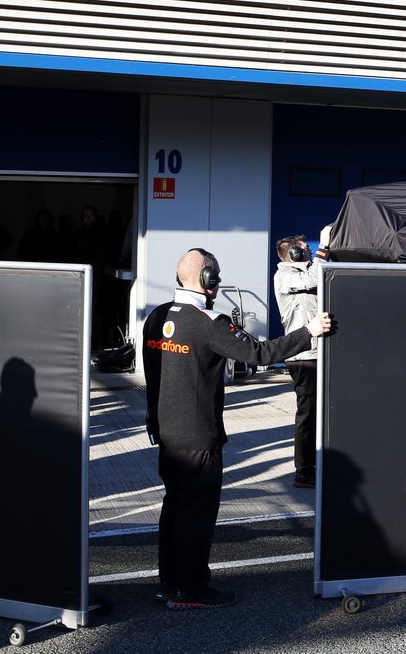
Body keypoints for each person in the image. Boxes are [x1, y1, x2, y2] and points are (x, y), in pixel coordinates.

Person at [144, 248, 333, 609]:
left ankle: (170, 582)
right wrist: (309, 332)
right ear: (208, 280)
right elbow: (259, 353)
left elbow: (153, 379)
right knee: (197, 517)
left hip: (166, 433)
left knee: (174, 510)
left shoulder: (156, 318)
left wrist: (153, 421)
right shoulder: (209, 322)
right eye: (215, 276)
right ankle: (192, 589)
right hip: (198, 436)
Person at [273, 234, 330, 489]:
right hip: (304, 357)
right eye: (306, 248)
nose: (312, 251)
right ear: (294, 254)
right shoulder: (286, 275)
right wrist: (324, 247)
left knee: (324, 413)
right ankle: (304, 472)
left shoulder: (311, 271)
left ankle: (320, 464)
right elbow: (312, 278)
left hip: (320, 352)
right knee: (307, 414)